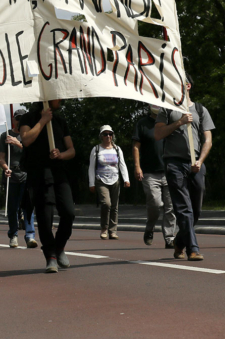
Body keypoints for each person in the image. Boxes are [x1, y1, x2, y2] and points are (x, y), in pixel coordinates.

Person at [155, 75, 214, 261]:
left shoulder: (200, 109)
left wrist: (200, 161)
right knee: (183, 209)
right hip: (174, 163)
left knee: (195, 210)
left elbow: (208, 140)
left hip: (195, 163)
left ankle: (179, 242)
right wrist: (179, 122)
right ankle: (193, 249)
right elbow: (158, 134)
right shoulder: (167, 108)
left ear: (188, 85)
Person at [19, 100, 76, 274]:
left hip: (59, 173)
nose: (60, 99)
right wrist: (42, 121)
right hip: (39, 174)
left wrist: (61, 155)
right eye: (56, 96)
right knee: (45, 216)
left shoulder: (60, 121)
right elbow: (26, 140)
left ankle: (59, 247)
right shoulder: (28, 118)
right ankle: (50, 255)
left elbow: (72, 150)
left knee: (69, 212)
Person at [133, 105, 176, 248]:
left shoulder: (169, 122)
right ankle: (150, 227)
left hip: (169, 170)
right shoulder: (142, 123)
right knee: (156, 205)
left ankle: (170, 238)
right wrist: (137, 167)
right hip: (149, 172)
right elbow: (136, 146)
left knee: (170, 207)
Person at [1, 108, 37, 248]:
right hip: (12, 176)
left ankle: (30, 236)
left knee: (28, 207)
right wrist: (6, 168)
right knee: (12, 208)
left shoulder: (28, 136)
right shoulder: (6, 135)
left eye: (22, 118)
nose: (20, 121)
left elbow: (32, 154)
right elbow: (2, 159)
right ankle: (13, 235)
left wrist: (17, 143)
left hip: (27, 175)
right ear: (13, 120)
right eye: (17, 118)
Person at [88, 125, 130, 240]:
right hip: (101, 180)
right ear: (101, 136)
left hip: (115, 180)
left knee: (114, 206)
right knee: (106, 204)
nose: (108, 136)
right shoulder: (96, 149)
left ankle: (113, 231)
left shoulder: (117, 149)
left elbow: (122, 164)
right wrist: (91, 183)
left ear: (112, 136)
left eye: (110, 134)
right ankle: (104, 229)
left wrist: (126, 179)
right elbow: (91, 167)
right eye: (105, 134)